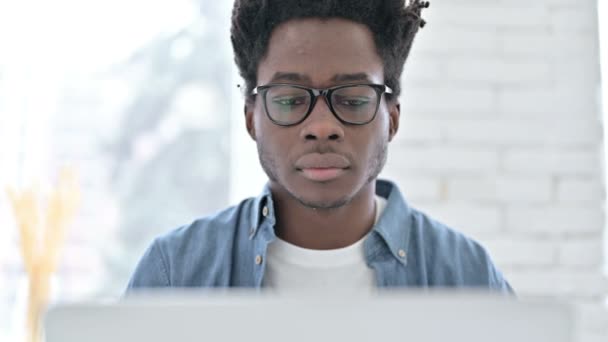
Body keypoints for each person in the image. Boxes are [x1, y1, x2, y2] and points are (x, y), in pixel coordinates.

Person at [127, 0, 512, 292]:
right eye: (290, 99)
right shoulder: (173, 273)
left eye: (354, 98)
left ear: (392, 117)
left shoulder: (468, 277)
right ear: (251, 118)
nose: (323, 127)